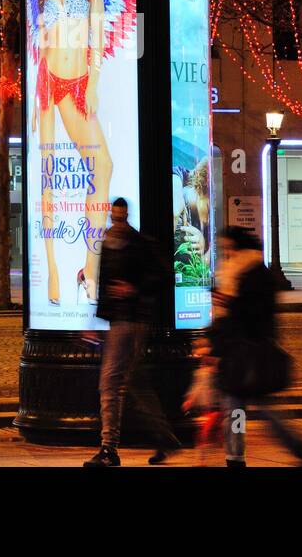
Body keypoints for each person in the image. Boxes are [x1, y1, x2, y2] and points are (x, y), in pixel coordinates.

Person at [33, 0, 115, 306]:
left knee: (103, 166)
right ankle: (53, 268)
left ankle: (90, 268)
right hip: (49, 81)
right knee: (48, 174)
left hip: (78, 83)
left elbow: (98, 39)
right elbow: (40, 45)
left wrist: (94, 83)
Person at [209, 226, 302, 467]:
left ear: (239, 247)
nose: (226, 253)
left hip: (247, 351)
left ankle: (241, 456)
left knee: (242, 408)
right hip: (243, 351)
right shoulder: (238, 272)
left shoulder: (250, 274)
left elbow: (251, 313)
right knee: (253, 408)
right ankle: (297, 449)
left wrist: (229, 303)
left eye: (228, 247)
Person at [84, 198, 182, 467]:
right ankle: (165, 438)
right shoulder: (109, 242)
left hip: (131, 321)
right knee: (135, 382)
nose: (118, 221)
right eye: (115, 217)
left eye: (121, 217)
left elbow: (163, 275)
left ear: (126, 216)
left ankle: (109, 449)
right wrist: (98, 320)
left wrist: (134, 289)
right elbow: (106, 284)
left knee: (110, 382)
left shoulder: (138, 243)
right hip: (119, 320)